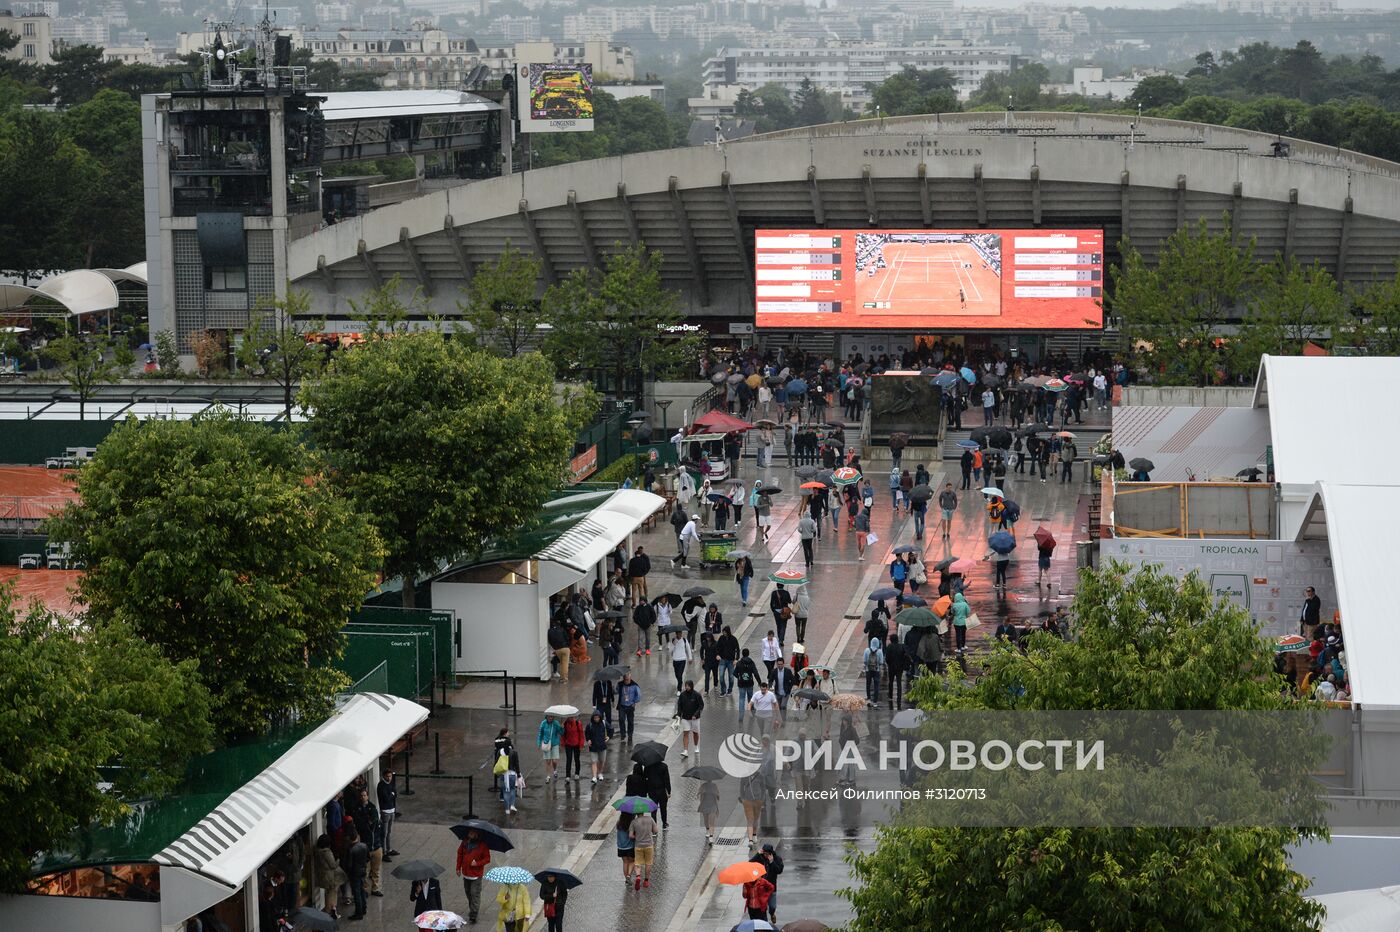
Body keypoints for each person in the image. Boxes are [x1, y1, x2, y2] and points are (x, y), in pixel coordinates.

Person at [314, 834, 347, 919]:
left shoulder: (317, 851)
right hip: (330, 877)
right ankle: (330, 912)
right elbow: (333, 865)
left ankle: (332, 911)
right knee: (332, 894)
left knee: (329, 893)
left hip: (323, 876)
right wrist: (338, 860)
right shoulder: (326, 852)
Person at [629, 808, 658, 889]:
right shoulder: (650, 819)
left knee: (637, 863)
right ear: (643, 811)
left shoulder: (634, 822)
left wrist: (637, 837)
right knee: (648, 863)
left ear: (636, 813)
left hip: (638, 845)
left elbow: (630, 835)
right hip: (649, 845)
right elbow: (656, 830)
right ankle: (646, 881)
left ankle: (638, 876)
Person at [343, 827, 368, 920]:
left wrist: (348, 872)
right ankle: (364, 908)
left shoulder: (351, 849)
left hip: (355, 873)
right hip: (362, 871)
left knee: (356, 892)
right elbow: (368, 857)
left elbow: (349, 865)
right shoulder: (364, 846)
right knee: (361, 890)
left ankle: (359, 912)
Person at [756, 843, 784, 925]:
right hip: (761, 888)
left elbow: (779, 871)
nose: (765, 855)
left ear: (771, 853)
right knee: (763, 908)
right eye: (764, 853)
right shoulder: (760, 858)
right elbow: (750, 862)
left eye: (767, 854)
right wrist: (757, 854)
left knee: (772, 906)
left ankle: (772, 914)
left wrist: (772, 862)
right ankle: (765, 924)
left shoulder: (777, 859)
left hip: (772, 888)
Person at [677, 679, 704, 757]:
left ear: (691, 686)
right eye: (686, 686)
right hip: (685, 718)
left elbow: (701, 706)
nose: (687, 687)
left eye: (688, 686)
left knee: (695, 732)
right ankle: (685, 750)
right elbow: (679, 705)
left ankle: (696, 746)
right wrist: (679, 714)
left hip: (695, 718)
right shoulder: (682, 695)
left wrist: (696, 714)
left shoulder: (697, 695)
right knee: (685, 733)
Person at [645, 757, 672, 829]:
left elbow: (645, 777)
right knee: (663, 808)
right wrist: (669, 791)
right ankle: (664, 823)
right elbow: (667, 779)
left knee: (653, 810)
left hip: (652, 791)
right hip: (662, 791)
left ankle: (654, 827)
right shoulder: (664, 766)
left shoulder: (648, 766)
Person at [377, 770, 399, 859]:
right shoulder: (381, 785)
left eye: (390, 776)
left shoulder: (391, 784)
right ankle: (384, 852)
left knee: (389, 832)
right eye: (387, 776)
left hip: (392, 810)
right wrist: (392, 794)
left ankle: (389, 849)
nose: (389, 778)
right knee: (384, 832)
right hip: (385, 811)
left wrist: (392, 794)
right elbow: (386, 798)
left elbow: (395, 794)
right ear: (383, 776)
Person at [735, 648, 760, 722]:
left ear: (742, 654)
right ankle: (752, 712)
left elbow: (735, 673)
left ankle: (741, 716)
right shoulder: (751, 662)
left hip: (741, 684)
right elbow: (755, 673)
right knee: (750, 698)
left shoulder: (739, 663)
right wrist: (759, 682)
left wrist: (739, 677)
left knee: (741, 699)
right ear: (748, 654)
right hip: (749, 683)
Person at [584, 710, 608, 784]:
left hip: (602, 746)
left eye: (597, 717)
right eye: (595, 717)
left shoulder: (604, 723)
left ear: (600, 717)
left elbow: (611, 729)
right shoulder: (590, 725)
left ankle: (600, 773)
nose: (596, 719)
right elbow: (586, 733)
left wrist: (608, 737)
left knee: (602, 761)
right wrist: (588, 740)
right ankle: (594, 776)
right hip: (593, 747)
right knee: (594, 761)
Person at [884, 633, 908, 707]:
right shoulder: (901, 646)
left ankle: (890, 696)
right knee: (899, 682)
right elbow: (905, 656)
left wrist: (889, 664)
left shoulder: (890, 647)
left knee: (890, 682)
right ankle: (899, 696)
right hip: (899, 667)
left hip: (891, 667)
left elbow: (887, 658)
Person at [562, 713, 585, 782]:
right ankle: (567, 775)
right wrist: (563, 743)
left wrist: (581, 745)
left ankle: (577, 773)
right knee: (568, 760)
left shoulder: (578, 723)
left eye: (572, 717)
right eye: (569, 717)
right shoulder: (565, 724)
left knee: (577, 759)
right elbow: (562, 735)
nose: (571, 718)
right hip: (568, 744)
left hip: (576, 744)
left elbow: (581, 735)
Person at [616, 810, 637, 886]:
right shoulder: (631, 824)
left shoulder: (619, 824)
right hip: (630, 846)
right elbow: (632, 836)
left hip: (621, 847)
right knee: (633, 861)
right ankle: (629, 875)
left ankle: (626, 880)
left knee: (625, 862)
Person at [618, 673, 641, 742]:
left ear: (630, 679)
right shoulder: (620, 684)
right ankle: (623, 734)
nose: (626, 681)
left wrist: (634, 701)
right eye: (625, 680)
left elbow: (639, 695)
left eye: (627, 680)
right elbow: (616, 691)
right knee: (621, 719)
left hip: (630, 706)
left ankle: (630, 734)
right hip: (622, 705)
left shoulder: (635, 685)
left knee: (630, 721)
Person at [717, 626, 740, 696]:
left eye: (725, 632)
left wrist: (736, 659)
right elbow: (717, 647)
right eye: (723, 632)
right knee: (721, 676)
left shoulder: (733, 639)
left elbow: (738, 650)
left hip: (731, 661)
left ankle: (730, 690)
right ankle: (723, 690)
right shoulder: (721, 638)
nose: (724, 633)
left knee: (731, 677)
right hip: (722, 660)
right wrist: (718, 654)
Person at [863, 636, 885, 709]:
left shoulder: (866, 650)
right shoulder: (880, 651)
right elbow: (881, 662)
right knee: (876, 686)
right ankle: (875, 702)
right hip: (877, 670)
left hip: (868, 670)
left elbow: (865, 661)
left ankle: (869, 699)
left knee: (868, 685)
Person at [698, 779, 721, 845]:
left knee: (711, 821)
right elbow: (698, 795)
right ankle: (707, 830)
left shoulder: (714, 786)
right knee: (706, 820)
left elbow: (718, 797)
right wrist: (702, 792)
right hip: (705, 805)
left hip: (713, 806)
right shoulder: (703, 786)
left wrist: (716, 794)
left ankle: (711, 837)